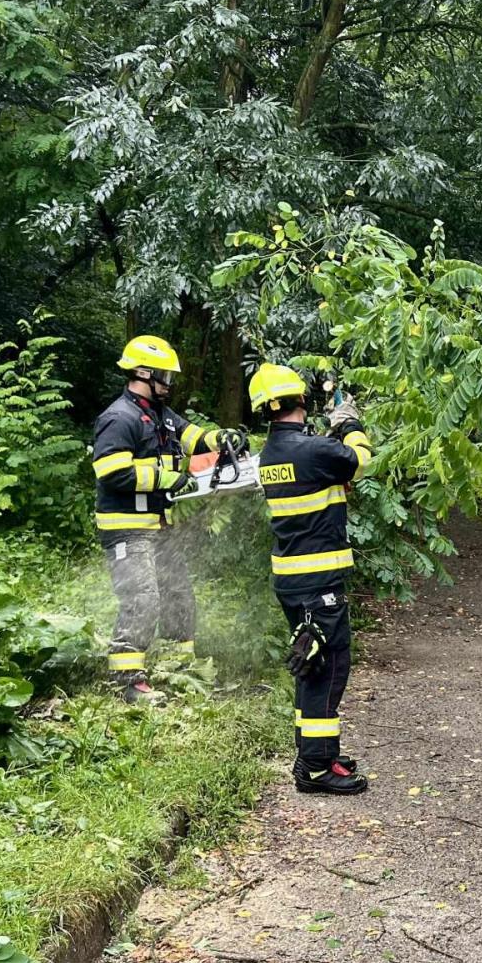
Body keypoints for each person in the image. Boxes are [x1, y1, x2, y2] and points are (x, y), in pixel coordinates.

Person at [92, 335, 248, 703]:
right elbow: (111, 473)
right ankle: (126, 679)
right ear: (143, 372)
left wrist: (221, 438)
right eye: (165, 376)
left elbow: (195, 436)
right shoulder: (119, 417)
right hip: (126, 527)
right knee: (141, 598)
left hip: (158, 526)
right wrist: (167, 478)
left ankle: (180, 668)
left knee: (178, 595)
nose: (169, 383)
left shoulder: (162, 414)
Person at [249, 362, 371, 795]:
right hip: (318, 583)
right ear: (302, 400)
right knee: (327, 669)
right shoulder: (312, 450)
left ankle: (315, 753)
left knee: (310, 664)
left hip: (293, 580)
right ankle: (317, 768)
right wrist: (350, 423)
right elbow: (359, 461)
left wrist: (329, 438)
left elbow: (324, 470)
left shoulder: (275, 453)